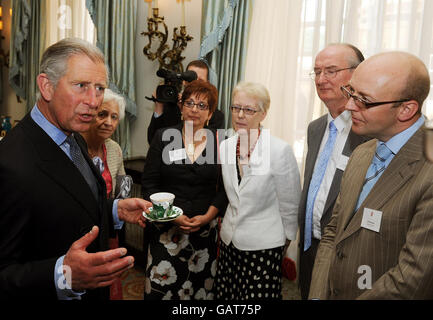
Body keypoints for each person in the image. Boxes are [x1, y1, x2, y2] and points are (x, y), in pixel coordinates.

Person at [0, 38, 151, 300]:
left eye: (100, 88)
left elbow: (68, 204)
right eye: (81, 86)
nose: (94, 101)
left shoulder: (73, 135)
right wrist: (64, 276)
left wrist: (113, 210)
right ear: (47, 86)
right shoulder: (10, 163)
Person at [309, 51, 433, 299]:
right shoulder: (362, 152)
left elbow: (412, 276)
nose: (349, 105)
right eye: (351, 93)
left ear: (406, 109)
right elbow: (334, 232)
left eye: (363, 100)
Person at [141, 79, 227, 300]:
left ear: (210, 113)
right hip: (166, 233)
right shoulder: (163, 137)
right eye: (189, 103)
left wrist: (208, 216)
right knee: (162, 293)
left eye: (202, 105)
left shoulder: (221, 143)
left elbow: (225, 190)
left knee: (199, 295)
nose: (194, 110)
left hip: (204, 235)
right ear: (181, 107)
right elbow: (149, 186)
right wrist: (174, 217)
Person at [214, 82, 301, 300]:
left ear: (262, 114)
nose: (240, 115)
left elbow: (290, 203)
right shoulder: (225, 146)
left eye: (248, 110)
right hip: (229, 242)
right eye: (235, 108)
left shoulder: (279, 150)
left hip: (264, 246)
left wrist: (286, 240)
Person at [298, 43, 368, 299]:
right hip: (308, 245)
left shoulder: (368, 133)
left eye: (330, 71)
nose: (320, 79)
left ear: (357, 74)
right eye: (316, 72)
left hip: (344, 252)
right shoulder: (315, 128)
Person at [147, 59, 225, 144]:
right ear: (184, 81)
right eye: (191, 79)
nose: (195, 85)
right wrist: (159, 105)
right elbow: (152, 140)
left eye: (200, 81)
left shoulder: (215, 116)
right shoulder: (170, 106)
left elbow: (213, 146)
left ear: (207, 84)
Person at [82, 88, 127, 199]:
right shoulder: (72, 147)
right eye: (102, 114)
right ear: (89, 114)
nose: (108, 123)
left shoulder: (115, 149)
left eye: (114, 117)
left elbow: (122, 193)